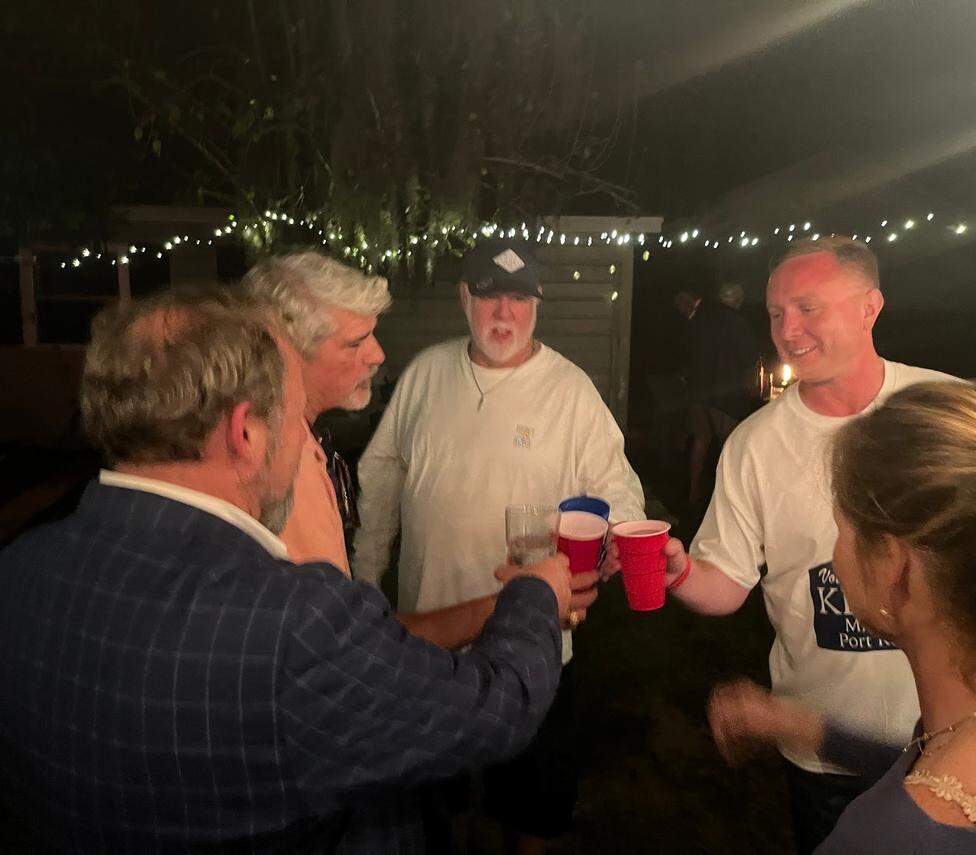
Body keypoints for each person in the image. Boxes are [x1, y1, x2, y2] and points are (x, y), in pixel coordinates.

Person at [0, 288, 573, 853]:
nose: (306, 442)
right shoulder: (290, 623)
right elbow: (500, 710)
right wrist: (535, 593)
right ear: (246, 432)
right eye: (295, 418)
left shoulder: (21, 567)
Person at [604, 236, 955, 854]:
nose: (787, 330)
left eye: (808, 308)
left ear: (871, 307)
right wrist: (678, 573)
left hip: (958, 737)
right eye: (774, 312)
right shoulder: (756, 444)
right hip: (822, 750)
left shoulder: (945, 412)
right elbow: (728, 584)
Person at [707, 380, 976, 853]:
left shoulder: (877, 840)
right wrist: (802, 727)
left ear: (896, 570)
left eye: (842, 526)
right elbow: (946, 751)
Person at [355, 239, 646, 853]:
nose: (504, 315)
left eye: (520, 298)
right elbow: (381, 474)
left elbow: (617, 492)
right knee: (435, 801)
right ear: (465, 299)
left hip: (533, 638)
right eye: (490, 296)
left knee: (530, 803)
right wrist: (363, 574)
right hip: (430, 633)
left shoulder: (570, 390)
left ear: (537, 306)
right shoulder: (426, 374)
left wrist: (613, 547)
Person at [242, 252, 391, 575]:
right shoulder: (278, 460)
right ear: (287, 350)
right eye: (355, 343)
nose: (377, 354)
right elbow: (323, 619)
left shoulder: (295, 435)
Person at [684, 281, 761, 505]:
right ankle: (723, 499)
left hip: (698, 392)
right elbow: (749, 359)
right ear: (738, 301)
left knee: (701, 440)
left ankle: (693, 491)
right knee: (729, 445)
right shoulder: (739, 324)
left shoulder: (699, 320)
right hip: (725, 396)